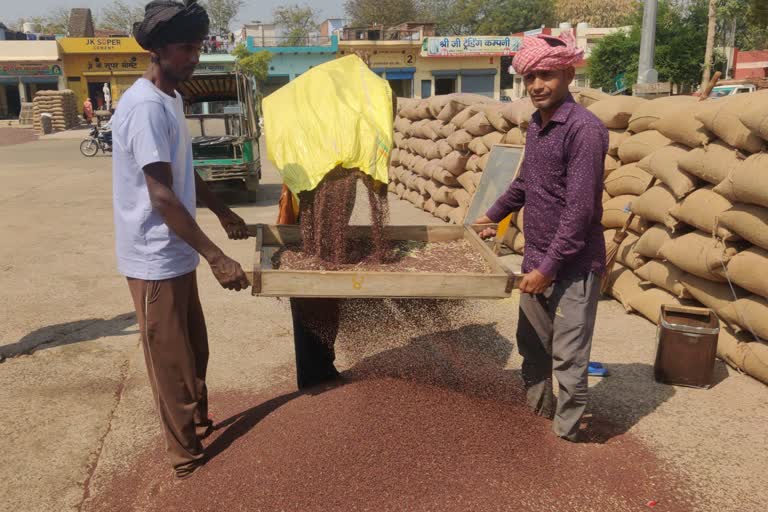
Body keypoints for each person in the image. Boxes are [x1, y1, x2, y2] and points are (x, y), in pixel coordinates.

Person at [113, 0, 250, 479]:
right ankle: (187, 461)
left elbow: (185, 173)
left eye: (198, 47)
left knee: (196, 352)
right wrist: (216, 257)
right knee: (171, 367)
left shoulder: (171, 98)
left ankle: (198, 421)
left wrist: (222, 209)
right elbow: (163, 197)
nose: (195, 57)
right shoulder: (145, 107)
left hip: (177, 255)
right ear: (157, 50)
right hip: (154, 259)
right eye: (186, 49)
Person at [474, 31, 608, 442]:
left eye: (546, 75)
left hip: (572, 267)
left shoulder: (584, 130)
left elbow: (580, 212)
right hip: (536, 259)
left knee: (568, 357)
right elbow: (527, 183)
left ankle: (567, 437)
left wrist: (548, 269)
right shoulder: (536, 125)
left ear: (568, 73)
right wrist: (492, 215)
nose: (536, 85)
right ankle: (536, 416)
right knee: (531, 347)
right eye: (530, 77)